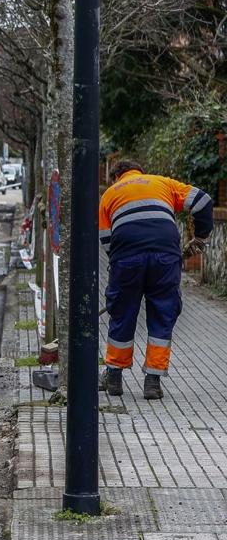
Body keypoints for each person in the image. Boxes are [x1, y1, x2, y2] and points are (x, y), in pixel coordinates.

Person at [100, 159, 213, 400]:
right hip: (165, 257)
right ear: (141, 171)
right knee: (163, 313)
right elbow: (203, 201)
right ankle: (152, 382)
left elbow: (107, 240)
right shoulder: (163, 183)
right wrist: (200, 237)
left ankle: (114, 378)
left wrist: (124, 267)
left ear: (115, 177)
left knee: (122, 312)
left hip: (126, 259)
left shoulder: (109, 195)